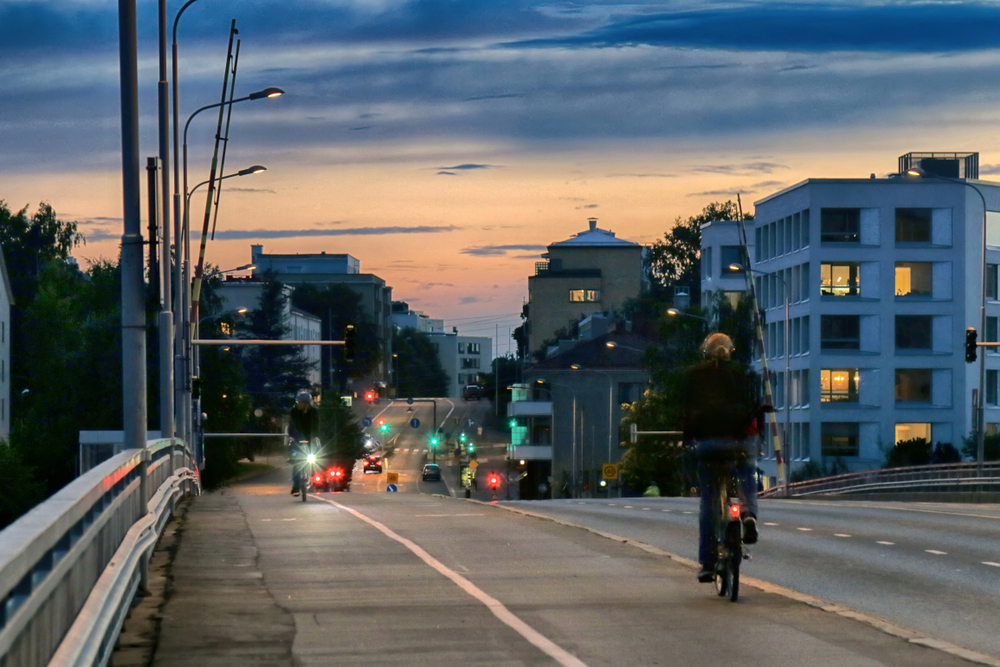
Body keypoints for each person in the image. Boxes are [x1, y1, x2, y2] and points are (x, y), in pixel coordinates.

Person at [681, 332, 764, 583]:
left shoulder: (694, 375)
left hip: (709, 444)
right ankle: (748, 515)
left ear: (706, 352)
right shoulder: (744, 374)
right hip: (739, 442)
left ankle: (707, 563)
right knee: (746, 475)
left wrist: (687, 439)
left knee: (709, 499)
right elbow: (755, 407)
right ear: (730, 350)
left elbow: (686, 410)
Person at [288, 389, 319, 495]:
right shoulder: (294, 412)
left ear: (307, 404)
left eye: (303, 403)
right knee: (297, 462)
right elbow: (293, 426)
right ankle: (296, 486)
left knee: (316, 458)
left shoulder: (313, 412)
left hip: (310, 438)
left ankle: (316, 480)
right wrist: (296, 437)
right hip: (298, 438)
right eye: (299, 402)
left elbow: (316, 426)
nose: (300, 404)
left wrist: (314, 437)